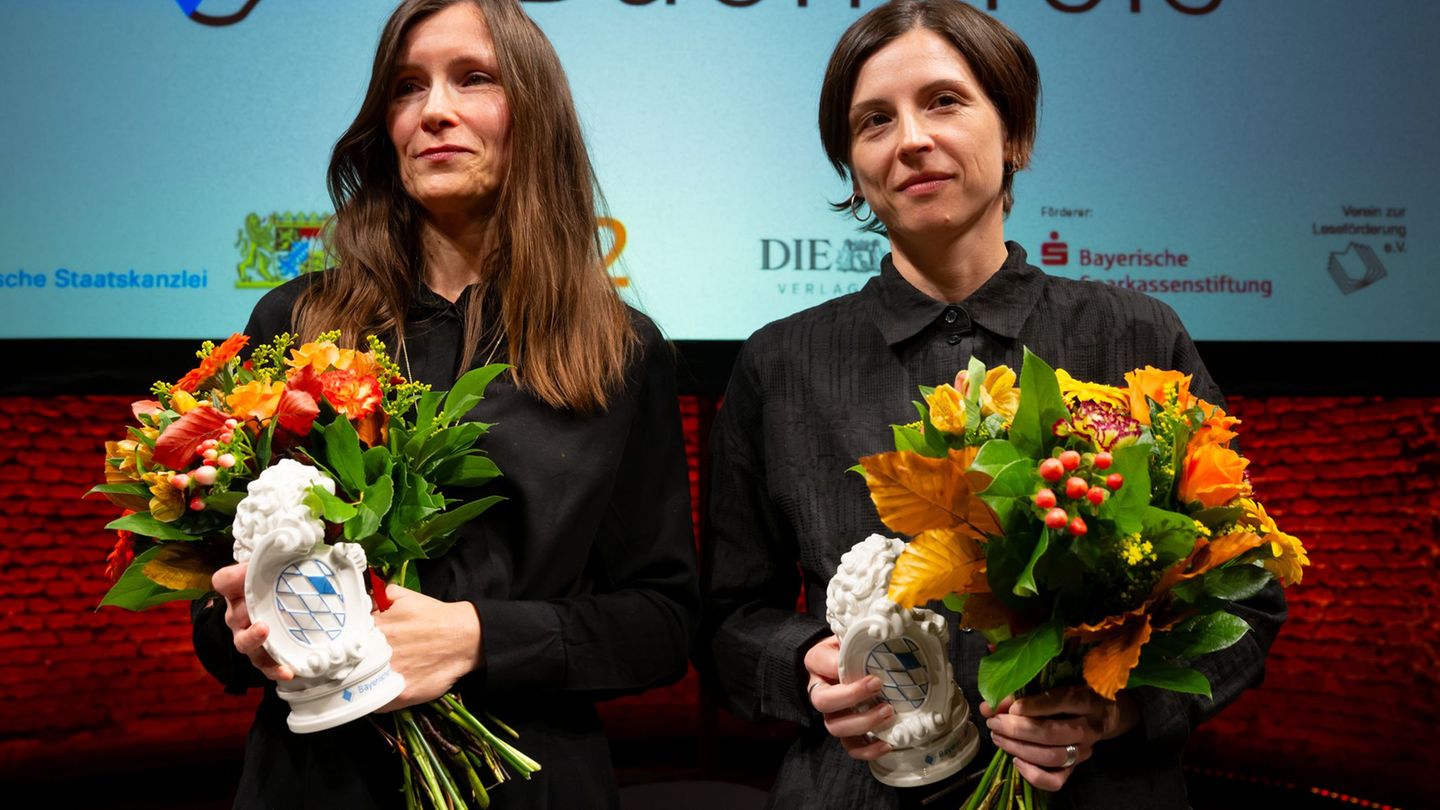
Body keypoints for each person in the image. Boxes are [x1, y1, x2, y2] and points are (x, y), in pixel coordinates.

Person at [697, 2, 1285, 808]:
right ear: (853, 164)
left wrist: (1123, 711)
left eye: (942, 101)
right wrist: (801, 666)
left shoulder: (1135, 335)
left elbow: (1248, 594)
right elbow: (726, 617)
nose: (910, 138)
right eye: (874, 120)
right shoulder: (782, 362)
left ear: (1014, 135)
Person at [191, 1, 699, 807]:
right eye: (406, 87)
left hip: (527, 779)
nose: (435, 111)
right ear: (382, 126)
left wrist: (478, 638)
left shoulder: (619, 349)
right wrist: (244, 633)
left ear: (533, 115)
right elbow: (216, 621)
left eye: (474, 79)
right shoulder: (292, 326)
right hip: (319, 780)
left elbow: (662, 623)